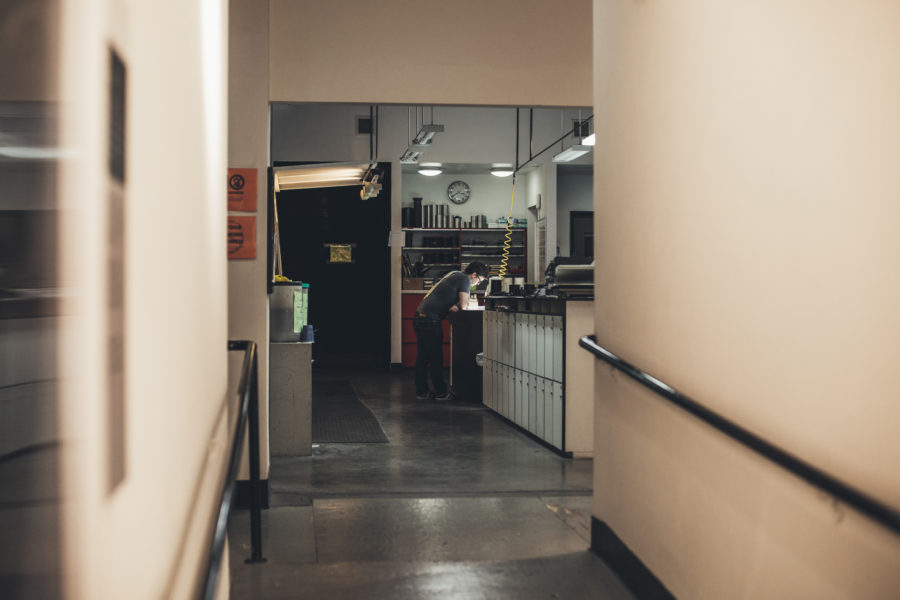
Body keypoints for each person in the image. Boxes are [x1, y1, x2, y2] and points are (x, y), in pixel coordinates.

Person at [413, 261, 489, 400]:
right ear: (474, 274)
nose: (477, 284)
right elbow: (464, 305)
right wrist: (458, 305)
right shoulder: (464, 279)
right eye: (479, 281)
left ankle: (421, 392)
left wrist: (455, 305)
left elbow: (453, 300)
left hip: (420, 317)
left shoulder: (455, 274)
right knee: (435, 358)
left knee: (423, 357)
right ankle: (441, 393)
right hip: (430, 320)